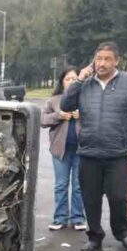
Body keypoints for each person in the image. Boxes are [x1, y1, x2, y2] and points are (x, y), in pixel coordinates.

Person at [60, 41, 127, 251]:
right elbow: (66, 106)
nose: (102, 63)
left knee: (118, 196)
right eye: (99, 59)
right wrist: (80, 79)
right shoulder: (85, 84)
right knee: (90, 198)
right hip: (89, 152)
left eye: (107, 59)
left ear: (116, 61)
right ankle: (94, 236)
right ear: (94, 61)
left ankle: (121, 233)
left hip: (118, 153)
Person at [41, 66, 87, 231]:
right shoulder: (54, 100)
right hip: (60, 150)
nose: (71, 82)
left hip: (82, 150)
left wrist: (83, 115)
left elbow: (97, 119)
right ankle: (60, 218)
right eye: (68, 79)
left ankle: (78, 218)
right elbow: (42, 120)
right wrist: (58, 116)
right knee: (61, 184)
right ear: (62, 82)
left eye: (75, 78)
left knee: (78, 185)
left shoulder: (86, 98)